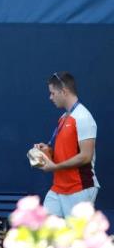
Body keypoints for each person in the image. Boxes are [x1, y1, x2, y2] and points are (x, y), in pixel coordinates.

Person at [34, 71, 98, 217]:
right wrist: (47, 150)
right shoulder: (64, 117)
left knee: (77, 239)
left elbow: (86, 157)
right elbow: (66, 151)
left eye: (52, 93)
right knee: (44, 233)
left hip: (80, 189)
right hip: (58, 188)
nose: (50, 97)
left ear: (63, 92)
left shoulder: (83, 117)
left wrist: (55, 167)